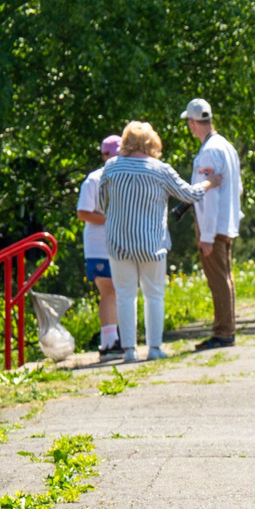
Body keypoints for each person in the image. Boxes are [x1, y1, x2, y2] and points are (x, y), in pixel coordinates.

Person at [98, 121, 215, 361]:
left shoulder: (111, 168)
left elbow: (101, 204)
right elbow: (189, 194)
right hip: (152, 243)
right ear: (152, 143)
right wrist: (208, 183)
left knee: (124, 295)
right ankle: (154, 349)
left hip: (119, 243)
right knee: (154, 295)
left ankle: (129, 350)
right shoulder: (160, 170)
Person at [181, 99, 243, 351]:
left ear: (194, 123)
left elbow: (208, 195)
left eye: (189, 123)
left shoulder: (208, 151)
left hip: (213, 226)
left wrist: (205, 234)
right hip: (225, 223)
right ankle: (226, 328)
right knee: (225, 278)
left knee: (217, 280)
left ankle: (223, 332)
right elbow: (236, 187)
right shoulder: (227, 146)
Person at [74, 135, 121, 355]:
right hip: (98, 245)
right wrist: (111, 219)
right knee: (108, 290)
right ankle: (109, 340)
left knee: (120, 290)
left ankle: (117, 338)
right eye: (113, 155)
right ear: (105, 156)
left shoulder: (123, 177)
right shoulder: (94, 180)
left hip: (120, 244)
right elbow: (83, 212)